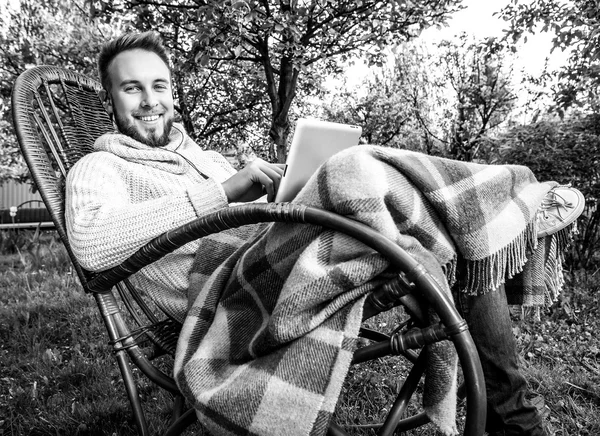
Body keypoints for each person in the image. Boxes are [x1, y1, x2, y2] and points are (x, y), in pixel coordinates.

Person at [65, 31, 583, 436]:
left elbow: (250, 212)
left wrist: (277, 188)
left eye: (159, 86)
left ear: (172, 95)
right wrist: (222, 192)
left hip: (271, 253)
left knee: (445, 237)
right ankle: (510, 198)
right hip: (223, 290)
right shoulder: (97, 167)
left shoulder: (202, 157)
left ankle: (515, 421)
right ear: (111, 99)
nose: (149, 100)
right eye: (132, 87)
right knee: (353, 167)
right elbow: (91, 242)